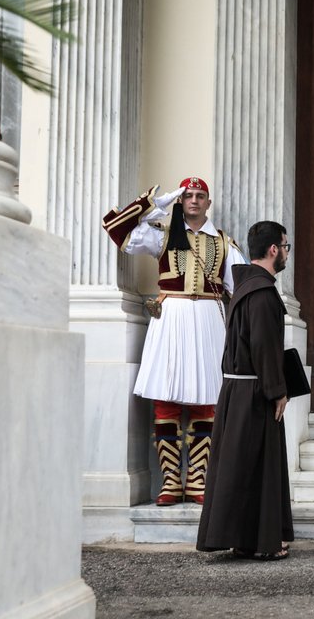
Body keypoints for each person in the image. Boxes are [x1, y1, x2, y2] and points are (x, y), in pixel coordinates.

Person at [102, 176, 246, 506]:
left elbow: (240, 286)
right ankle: (170, 479)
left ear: (209, 203)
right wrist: (161, 203)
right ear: (182, 201)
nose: (194, 200)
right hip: (171, 317)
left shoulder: (224, 243)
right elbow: (116, 228)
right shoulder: (162, 236)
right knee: (166, 398)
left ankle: (196, 477)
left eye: (200, 196)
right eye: (188, 196)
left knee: (207, 399)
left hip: (209, 318)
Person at [196, 221, 294, 560]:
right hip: (254, 392)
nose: (286, 252)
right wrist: (277, 391)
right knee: (257, 466)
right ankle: (261, 542)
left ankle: (243, 537)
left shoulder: (245, 286)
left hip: (237, 390)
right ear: (273, 250)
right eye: (285, 246)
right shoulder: (263, 294)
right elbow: (264, 348)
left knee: (239, 465)